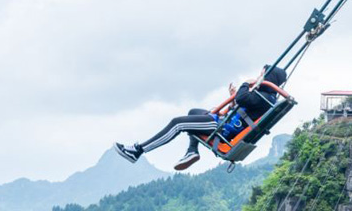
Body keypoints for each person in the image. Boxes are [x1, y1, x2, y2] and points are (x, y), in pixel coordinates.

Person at [115, 65, 288, 170]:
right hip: (226, 125)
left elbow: (243, 98)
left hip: (221, 129)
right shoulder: (264, 97)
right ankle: (192, 151)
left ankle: (138, 151)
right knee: (194, 112)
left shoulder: (263, 96)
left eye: (261, 74)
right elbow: (243, 108)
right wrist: (235, 98)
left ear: (267, 77)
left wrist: (246, 84)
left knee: (178, 123)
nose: (258, 77)